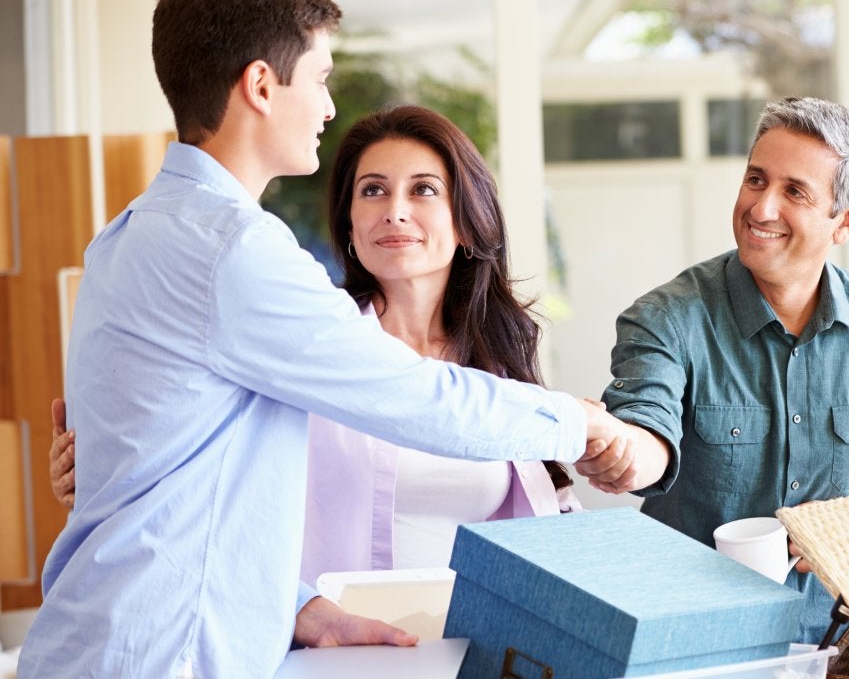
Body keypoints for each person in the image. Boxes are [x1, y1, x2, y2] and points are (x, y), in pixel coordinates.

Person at [20, 0, 631, 679]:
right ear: (260, 85)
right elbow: (411, 395)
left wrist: (300, 606)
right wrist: (582, 422)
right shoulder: (233, 251)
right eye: (320, 78)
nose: (329, 107)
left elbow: (185, 478)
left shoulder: (127, 237)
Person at [48, 105, 587, 581]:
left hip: (472, 650)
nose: (395, 210)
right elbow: (193, 451)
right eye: (372, 190)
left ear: (466, 224)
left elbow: (551, 516)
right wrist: (104, 471)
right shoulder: (294, 345)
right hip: (325, 652)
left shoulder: (497, 360)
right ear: (349, 225)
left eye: (423, 189)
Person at [592, 97, 849, 643]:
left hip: (842, 640)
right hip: (688, 640)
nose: (761, 208)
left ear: (847, 221)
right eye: (755, 180)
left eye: (794, 191)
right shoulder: (665, 318)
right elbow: (645, 423)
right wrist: (624, 452)